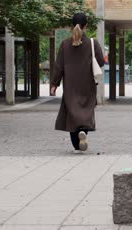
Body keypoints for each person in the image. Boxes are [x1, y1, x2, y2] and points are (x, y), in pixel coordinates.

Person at [50, 13, 105, 153]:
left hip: (70, 86)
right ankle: (83, 133)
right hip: (87, 84)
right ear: (86, 26)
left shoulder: (65, 44)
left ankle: (76, 146)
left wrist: (54, 84)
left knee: (72, 113)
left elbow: (58, 66)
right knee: (86, 111)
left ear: (71, 26)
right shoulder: (93, 43)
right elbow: (100, 62)